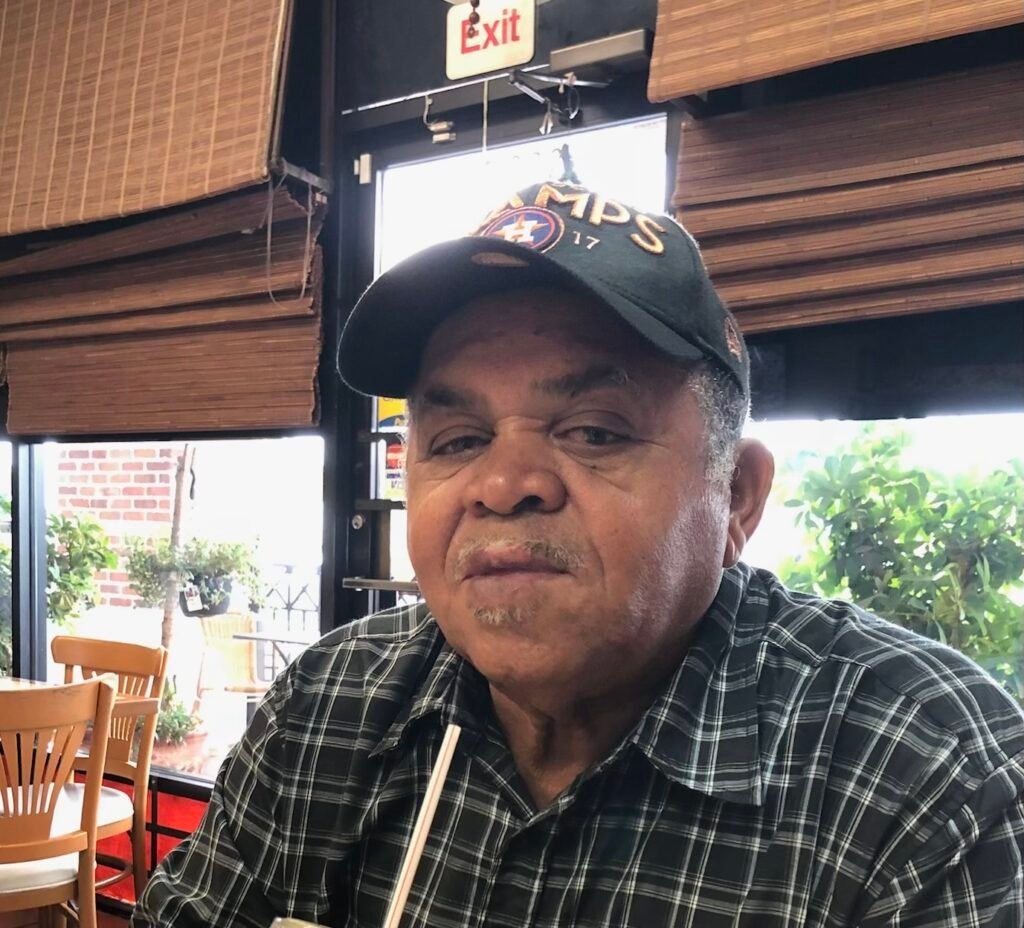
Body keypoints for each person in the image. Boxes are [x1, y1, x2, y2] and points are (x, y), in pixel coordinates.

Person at [133, 182, 1024, 928]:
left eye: (594, 430)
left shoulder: (923, 775)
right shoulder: (331, 708)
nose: (502, 484)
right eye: (457, 440)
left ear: (736, 497)